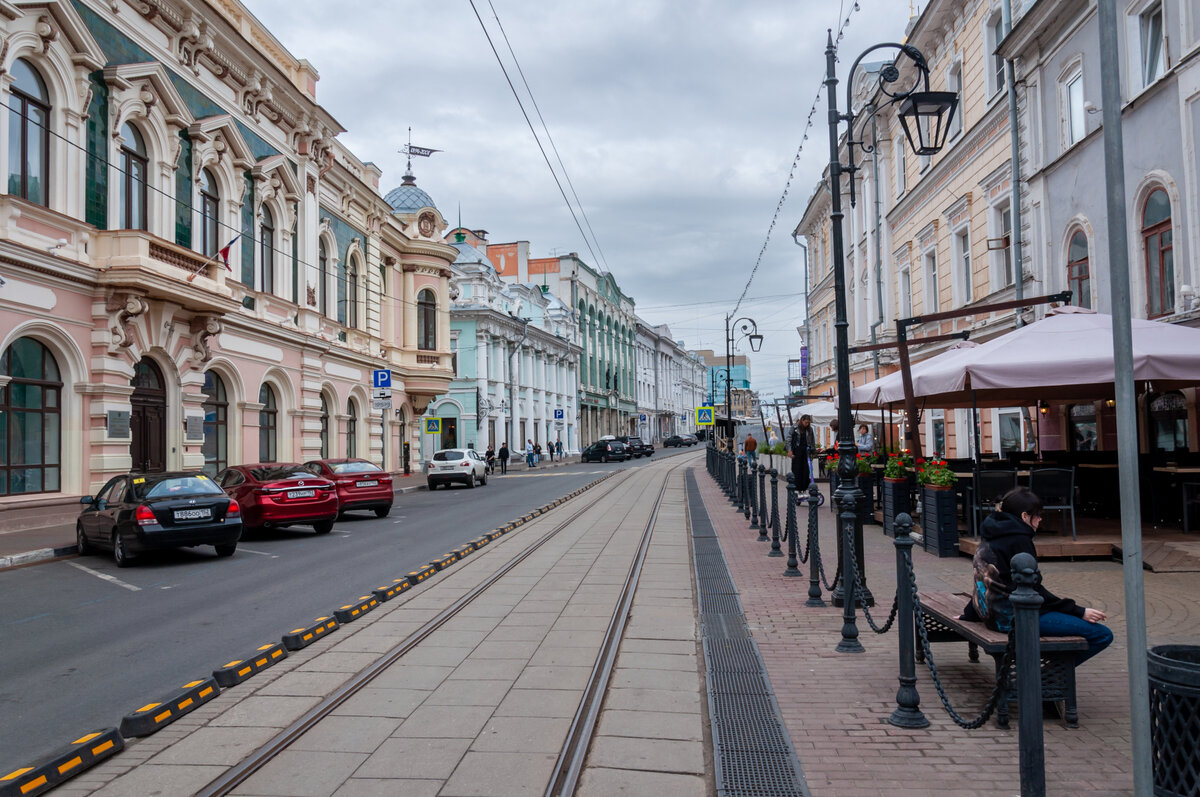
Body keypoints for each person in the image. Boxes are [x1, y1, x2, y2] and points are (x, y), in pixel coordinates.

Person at [962, 486, 1112, 665]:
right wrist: (1079, 611)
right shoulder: (1019, 540)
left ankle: (1049, 675)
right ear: (1025, 516)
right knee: (1102, 635)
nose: (1040, 520)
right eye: (1038, 515)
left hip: (993, 616)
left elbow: (984, 577)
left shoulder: (992, 533)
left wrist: (969, 612)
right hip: (1015, 618)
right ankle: (1051, 678)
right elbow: (1034, 590)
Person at [788, 415, 816, 490]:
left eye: (808, 423)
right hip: (797, 451)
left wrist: (813, 451)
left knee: (806, 470)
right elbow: (789, 439)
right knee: (797, 469)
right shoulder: (794, 428)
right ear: (802, 420)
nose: (807, 424)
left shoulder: (810, 429)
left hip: (806, 451)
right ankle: (797, 488)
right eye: (806, 422)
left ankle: (804, 488)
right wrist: (789, 450)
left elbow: (812, 441)